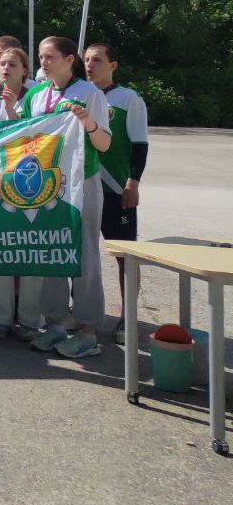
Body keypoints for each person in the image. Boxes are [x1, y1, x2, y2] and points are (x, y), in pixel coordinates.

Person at [21, 35, 112, 359]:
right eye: (40, 57)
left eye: (49, 57)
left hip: (82, 180)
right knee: (52, 250)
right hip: (48, 184)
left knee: (85, 254)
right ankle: (56, 324)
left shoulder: (89, 93)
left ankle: (88, 332)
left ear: (69, 59)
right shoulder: (36, 95)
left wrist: (87, 122)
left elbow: (104, 144)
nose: (43, 63)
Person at [83, 42, 148, 346]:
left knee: (125, 256)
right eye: (86, 59)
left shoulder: (128, 98)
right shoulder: (80, 95)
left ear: (113, 65)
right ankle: (82, 312)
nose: (90, 65)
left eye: (97, 60)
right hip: (85, 187)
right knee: (83, 252)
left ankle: (128, 318)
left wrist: (133, 183)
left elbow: (140, 144)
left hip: (116, 190)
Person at [0, 47, 45, 341]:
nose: (5, 68)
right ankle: (0, 316)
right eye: (2, 63)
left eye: (13, 64)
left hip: (31, 183)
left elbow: (31, 135)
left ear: (25, 70)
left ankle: (30, 319)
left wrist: (10, 111)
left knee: (30, 248)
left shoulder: (35, 97)